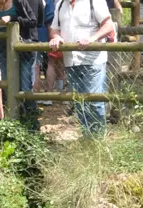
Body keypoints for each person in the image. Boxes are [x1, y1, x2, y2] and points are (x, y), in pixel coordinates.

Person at [48, 0, 113, 134]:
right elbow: (54, 28)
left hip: (93, 59)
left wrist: (92, 39)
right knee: (80, 103)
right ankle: (87, 137)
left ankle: (97, 139)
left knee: (94, 101)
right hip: (71, 61)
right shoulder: (60, 4)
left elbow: (108, 25)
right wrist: (56, 37)